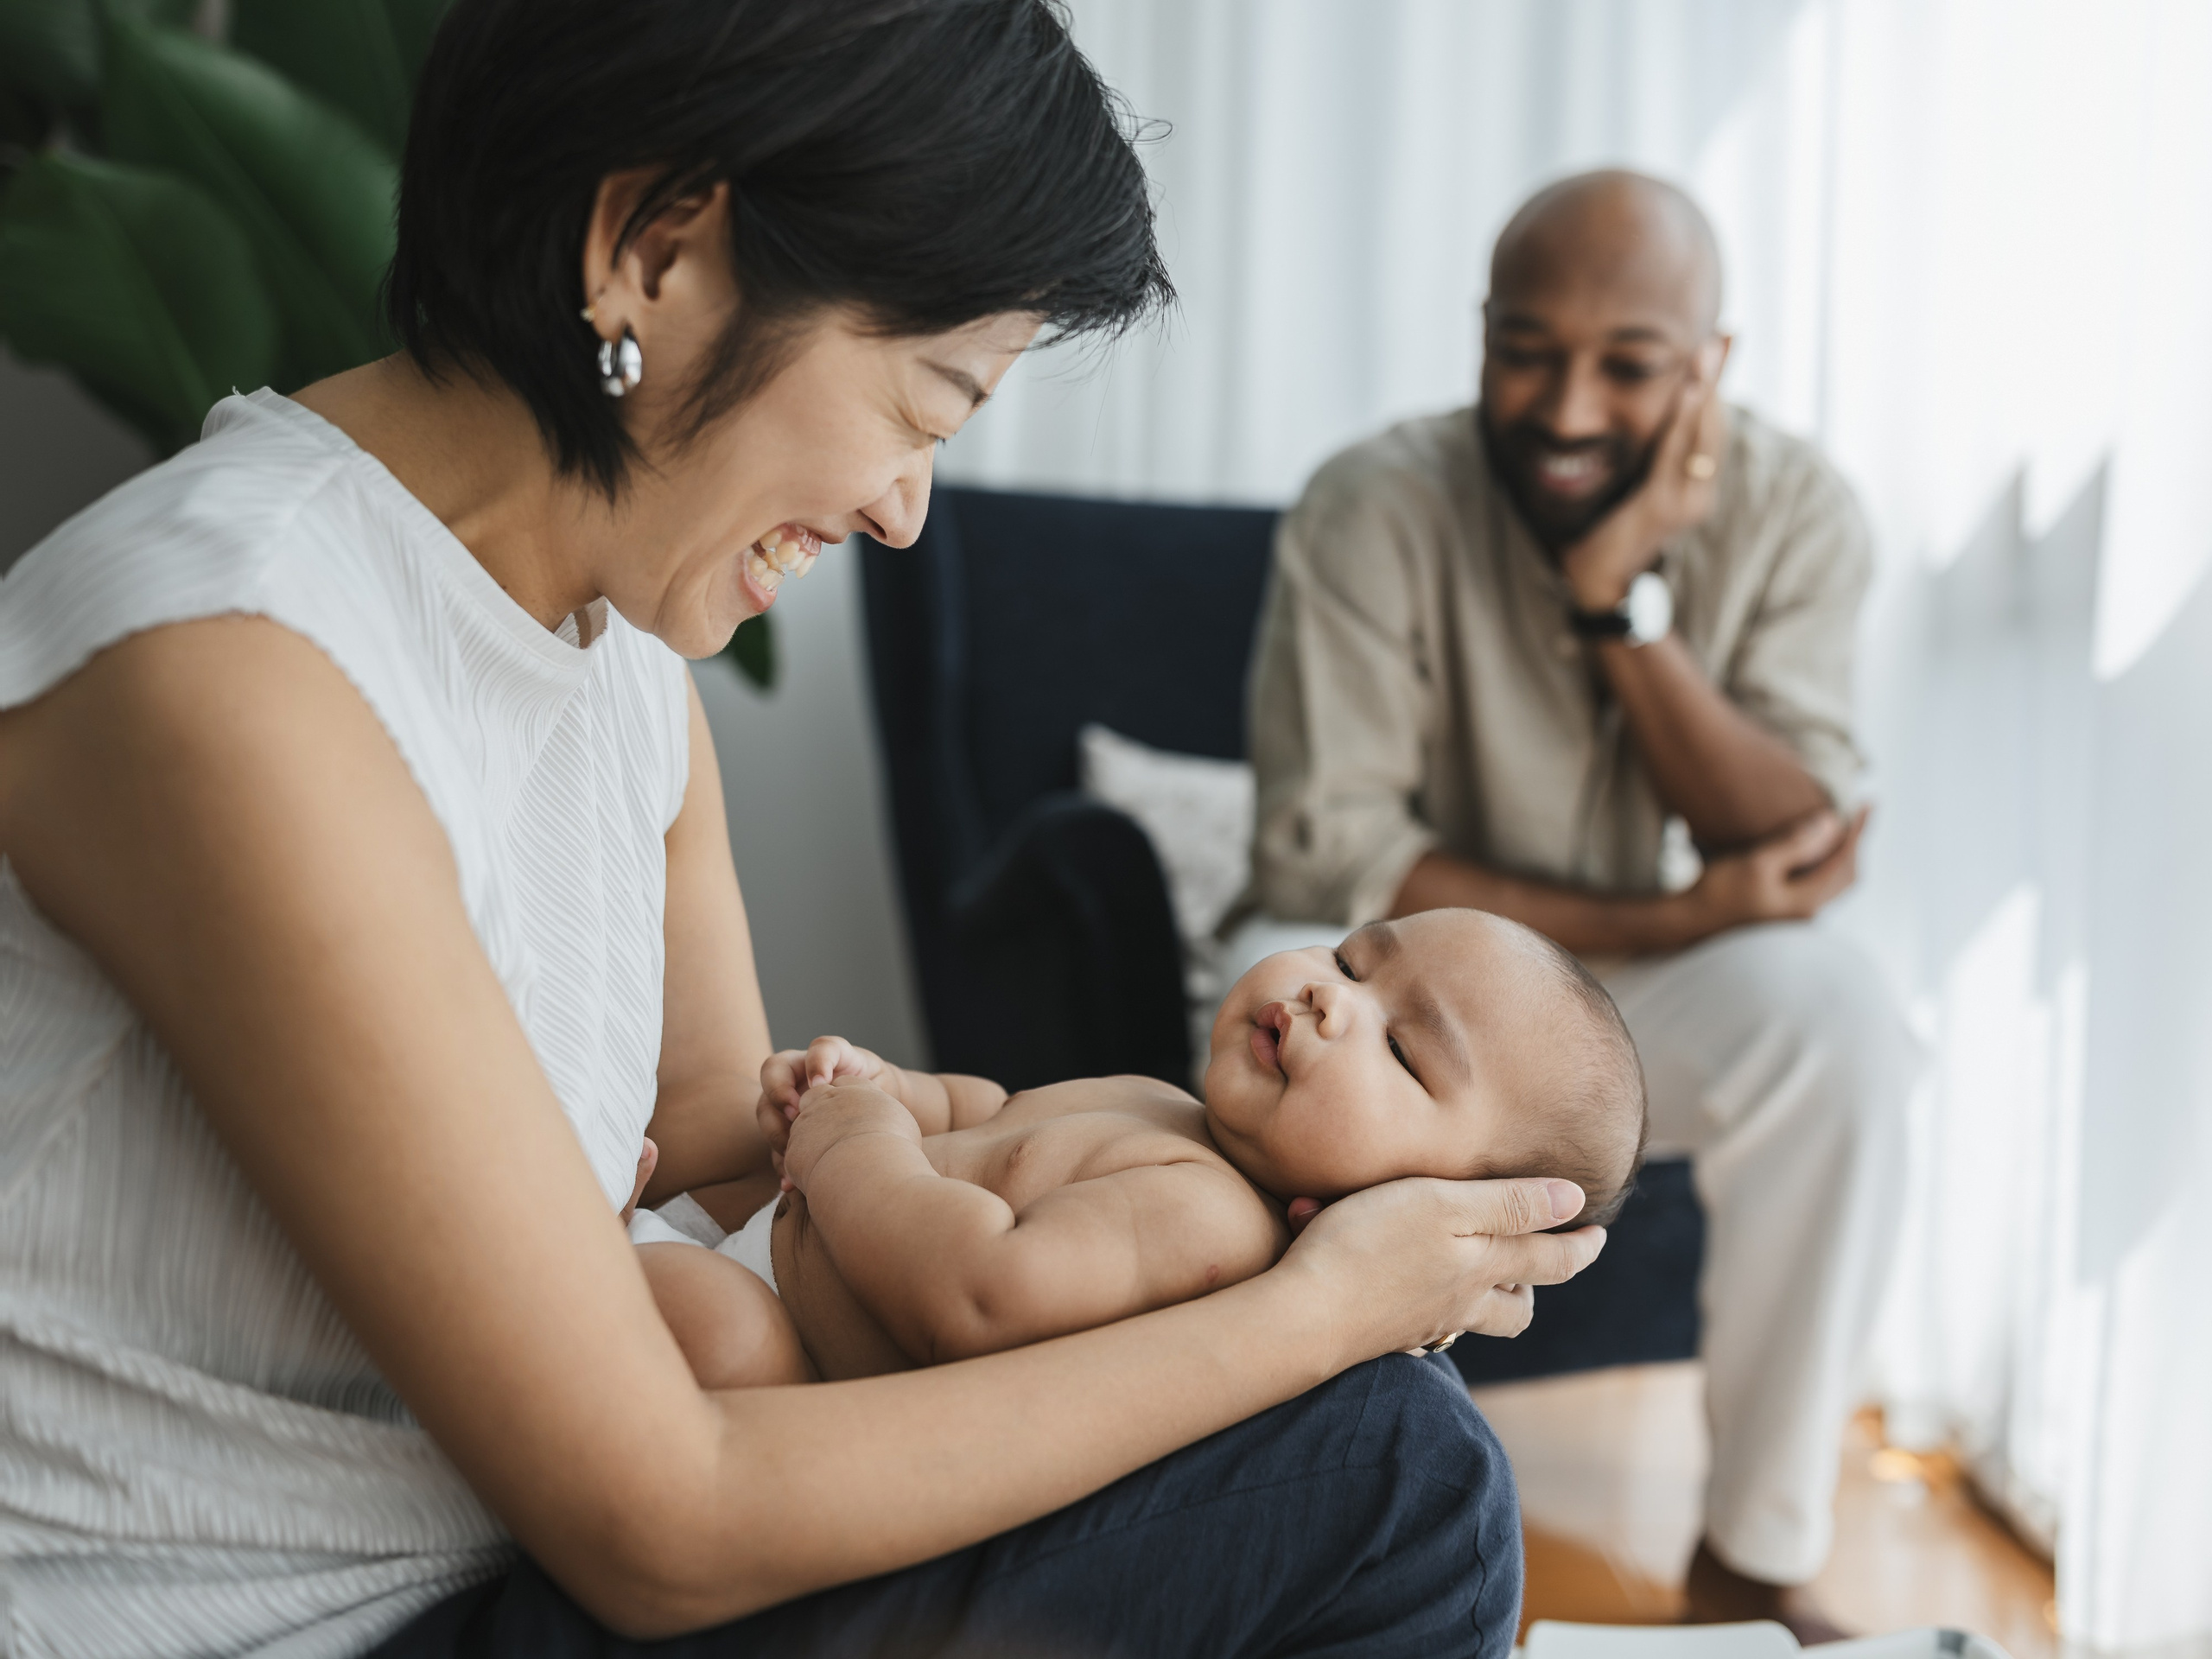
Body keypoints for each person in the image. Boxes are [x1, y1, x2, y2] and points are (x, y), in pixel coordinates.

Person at [0, 4, 1612, 1656]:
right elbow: (664, 1521)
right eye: (923, 406)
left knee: (1348, 1461)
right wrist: (1319, 1315)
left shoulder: (616, 669)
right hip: (296, 1621)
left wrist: (1028, 1165)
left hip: (508, 1570)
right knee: (1390, 1479)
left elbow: (730, 1165)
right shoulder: (239, 664)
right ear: (656, 244)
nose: (906, 511)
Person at [1242, 169, 1916, 1639]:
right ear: (1480, 333)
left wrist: (1618, 604)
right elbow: (1335, 857)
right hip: (1368, 983)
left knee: (1841, 1015)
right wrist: (1681, 919)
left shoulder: (1799, 514)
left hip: (1602, 1025)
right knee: (1264, 988)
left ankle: (1757, 1546)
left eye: (1629, 365)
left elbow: (1794, 838)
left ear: (1712, 368)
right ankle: (1277, 1504)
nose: (1565, 409)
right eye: (1527, 347)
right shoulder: (1372, 505)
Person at [634, 908, 1648, 1384]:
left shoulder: (1204, 1221)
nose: (1329, 997)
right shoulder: (1159, 1105)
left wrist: (852, 1147)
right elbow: (989, 1114)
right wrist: (885, 1090)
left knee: (714, 1329)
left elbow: (979, 1292)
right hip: (743, 1242)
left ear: (1438, 1213)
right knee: (684, 1159)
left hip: (776, 1358)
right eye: (1349, 956)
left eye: (1402, 1049)